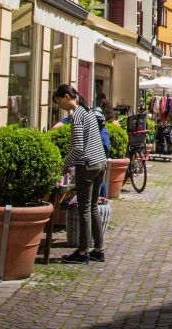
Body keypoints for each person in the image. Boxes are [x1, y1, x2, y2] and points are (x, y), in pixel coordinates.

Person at [53, 84, 108, 263]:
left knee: (84, 208)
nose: (59, 105)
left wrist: (64, 164)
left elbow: (77, 147)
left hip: (87, 165)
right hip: (100, 163)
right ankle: (99, 249)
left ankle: (83, 251)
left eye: (59, 100)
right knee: (93, 208)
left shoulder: (76, 115)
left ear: (67, 97)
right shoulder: (88, 112)